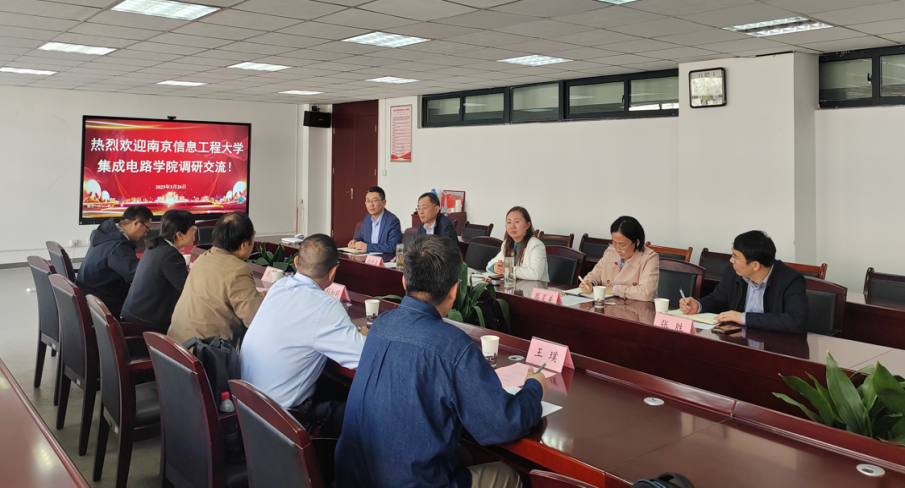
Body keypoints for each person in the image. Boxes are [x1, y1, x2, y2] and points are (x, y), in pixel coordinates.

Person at [336, 236, 545, 488]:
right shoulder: (453, 346)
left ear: (404, 282)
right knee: (508, 475)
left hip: (353, 478)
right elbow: (505, 423)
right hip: (408, 482)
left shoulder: (381, 324)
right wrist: (534, 387)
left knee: (462, 454)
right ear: (454, 291)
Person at [240, 234, 366, 436]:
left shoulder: (279, 286)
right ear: (333, 272)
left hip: (249, 408)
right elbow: (364, 358)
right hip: (284, 422)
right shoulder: (325, 306)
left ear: (297, 261)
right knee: (366, 413)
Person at [680, 230, 809, 333]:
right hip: (739, 339)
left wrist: (742, 318)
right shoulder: (733, 272)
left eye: (736, 257)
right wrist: (699, 305)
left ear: (755, 265)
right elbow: (719, 299)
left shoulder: (791, 281)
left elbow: (795, 321)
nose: (731, 260)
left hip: (776, 346)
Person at [168, 212, 262, 344]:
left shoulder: (203, 258)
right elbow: (256, 321)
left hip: (175, 345)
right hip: (203, 351)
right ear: (243, 244)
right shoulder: (238, 269)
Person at [121, 210, 196, 332]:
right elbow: (188, 291)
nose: (194, 233)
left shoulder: (155, 246)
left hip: (134, 316)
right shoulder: (170, 255)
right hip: (147, 325)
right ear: (179, 235)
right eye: (193, 229)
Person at [77, 205, 153, 317]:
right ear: (136, 223)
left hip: (89, 296)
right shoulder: (118, 246)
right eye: (146, 229)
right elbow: (137, 274)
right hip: (104, 305)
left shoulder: (106, 234)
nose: (145, 234)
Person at [578, 216, 659, 301]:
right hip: (607, 305)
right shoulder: (610, 252)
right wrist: (590, 283)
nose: (617, 249)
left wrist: (614, 290)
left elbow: (645, 293)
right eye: (614, 243)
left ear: (637, 242)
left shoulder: (649, 258)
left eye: (622, 245)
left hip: (636, 307)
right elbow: (594, 275)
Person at [487, 206, 549, 281]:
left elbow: (536, 274)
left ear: (527, 225)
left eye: (517, 222)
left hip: (533, 287)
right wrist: (495, 267)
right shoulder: (507, 243)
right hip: (513, 286)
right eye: (509, 222)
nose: (512, 226)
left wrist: (509, 269)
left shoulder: (536, 245)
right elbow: (490, 264)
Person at [347, 186, 402, 253]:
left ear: (384, 202)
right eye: (368, 201)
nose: (371, 204)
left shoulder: (392, 221)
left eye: (374, 200)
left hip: (384, 258)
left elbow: (393, 246)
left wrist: (367, 247)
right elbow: (363, 236)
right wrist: (355, 241)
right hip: (367, 257)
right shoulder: (367, 218)